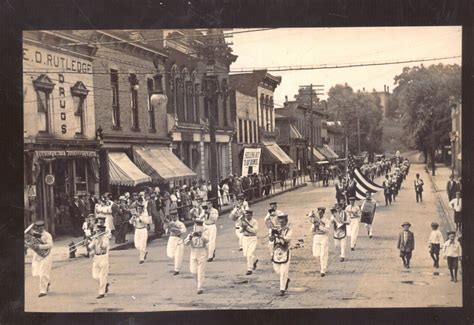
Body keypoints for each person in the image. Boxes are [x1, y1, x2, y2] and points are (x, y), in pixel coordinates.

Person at [27, 220, 53, 297]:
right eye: (37, 228)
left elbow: (51, 245)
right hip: (38, 255)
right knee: (38, 272)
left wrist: (39, 246)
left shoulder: (47, 235)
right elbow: (33, 241)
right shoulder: (37, 234)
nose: (39, 229)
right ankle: (47, 282)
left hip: (46, 255)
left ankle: (43, 291)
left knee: (43, 273)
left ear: (43, 227)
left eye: (40, 228)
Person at [185, 218, 209, 294]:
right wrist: (190, 238)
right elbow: (185, 243)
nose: (197, 227)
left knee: (200, 271)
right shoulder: (191, 234)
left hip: (202, 253)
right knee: (193, 271)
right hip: (193, 253)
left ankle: (200, 287)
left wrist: (200, 236)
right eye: (196, 225)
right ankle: (199, 282)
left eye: (199, 225)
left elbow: (207, 240)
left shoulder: (204, 233)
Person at [271, 214, 292, 296]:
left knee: (283, 271)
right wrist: (273, 235)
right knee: (277, 270)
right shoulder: (276, 228)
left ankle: (282, 289)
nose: (281, 223)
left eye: (283, 222)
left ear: (286, 222)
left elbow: (287, 239)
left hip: (285, 250)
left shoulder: (288, 229)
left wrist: (279, 235)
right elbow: (271, 240)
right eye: (280, 222)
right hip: (276, 251)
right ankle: (286, 280)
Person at [88, 222, 110, 299]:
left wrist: (100, 239)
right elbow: (90, 246)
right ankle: (105, 284)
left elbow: (104, 246)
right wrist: (88, 245)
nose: (96, 232)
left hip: (103, 257)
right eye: (96, 231)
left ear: (101, 231)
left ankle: (101, 292)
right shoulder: (95, 238)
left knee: (102, 276)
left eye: (97, 231)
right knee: (95, 276)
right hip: (96, 258)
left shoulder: (105, 238)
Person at [310, 207, 331, 276]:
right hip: (316, 237)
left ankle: (323, 270)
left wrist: (319, 226)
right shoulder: (315, 220)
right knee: (316, 254)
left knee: (323, 254)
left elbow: (327, 230)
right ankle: (321, 266)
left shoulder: (326, 220)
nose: (320, 214)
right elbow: (311, 231)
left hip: (324, 237)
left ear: (323, 213)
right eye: (319, 212)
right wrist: (314, 226)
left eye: (321, 212)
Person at [130, 198, 151, 264]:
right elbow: (130, 222)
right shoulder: (135, 215)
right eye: (138, 209)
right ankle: (144, 252)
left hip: (143, 230)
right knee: (137, 245)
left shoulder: (145, 215)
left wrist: (140, 217)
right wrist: (133, 219)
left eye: (140, 209)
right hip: (137, 230)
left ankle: (141, 259)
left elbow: (147, 221)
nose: (139, 210)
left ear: (143, 209)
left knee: (142, 244)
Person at [166, 209, 187, 275]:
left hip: (178, 239)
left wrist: (177, 230)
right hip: (172, 239)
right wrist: (168, 228)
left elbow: (184, 230)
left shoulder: (180, 223)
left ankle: (177, 269)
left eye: (174, 216)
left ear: (176, 216)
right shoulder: (170, 223)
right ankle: (176, 266)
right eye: (172, 216)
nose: (173, 217)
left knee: (178, 255)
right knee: (171, 254)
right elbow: (167, 232)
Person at [240, 210, 259, 275]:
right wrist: (242, 228)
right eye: (246, 215)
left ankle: (249, 269)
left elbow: (254, 231)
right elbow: (240, 231)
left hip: (252, 238)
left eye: (248, 215)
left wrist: (247, 227)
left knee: (250, 254)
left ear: (251, 215)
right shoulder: (243, 221)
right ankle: (254, 260)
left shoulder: (255, 221)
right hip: (245, 238)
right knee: (246, 254)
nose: (247, 217)